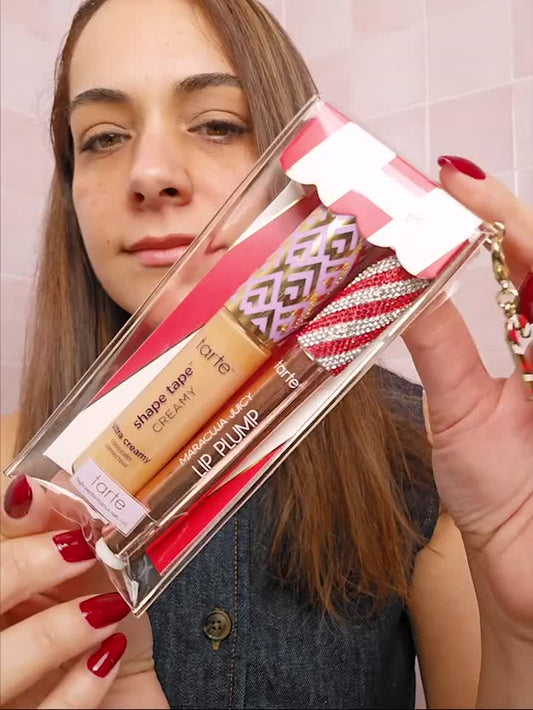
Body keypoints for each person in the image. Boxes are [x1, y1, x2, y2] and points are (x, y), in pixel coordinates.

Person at [0, 0, 531, 708]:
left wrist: (521, 636)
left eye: (218, 124)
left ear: (301, 160)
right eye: (102, 137)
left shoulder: (426, 455)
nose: (149, 173)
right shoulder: (16, 492)